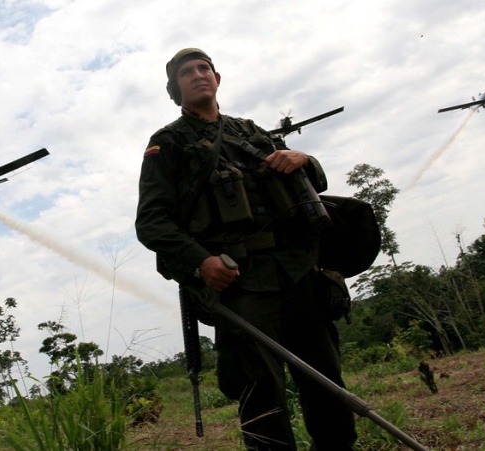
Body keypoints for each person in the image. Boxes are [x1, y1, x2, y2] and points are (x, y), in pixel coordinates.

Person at [135, 48, 357, 450]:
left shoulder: (252, 131)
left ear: (217, 79)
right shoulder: (167, 144)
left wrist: (304, 158)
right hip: (242, 282)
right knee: (262, 392)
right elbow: (151, 223)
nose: (198, 75)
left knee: (325, 378)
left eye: (205, 68)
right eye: (187, 72)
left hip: (297, 269)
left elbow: (313, 186)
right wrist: (201, 262)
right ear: (175, 89)